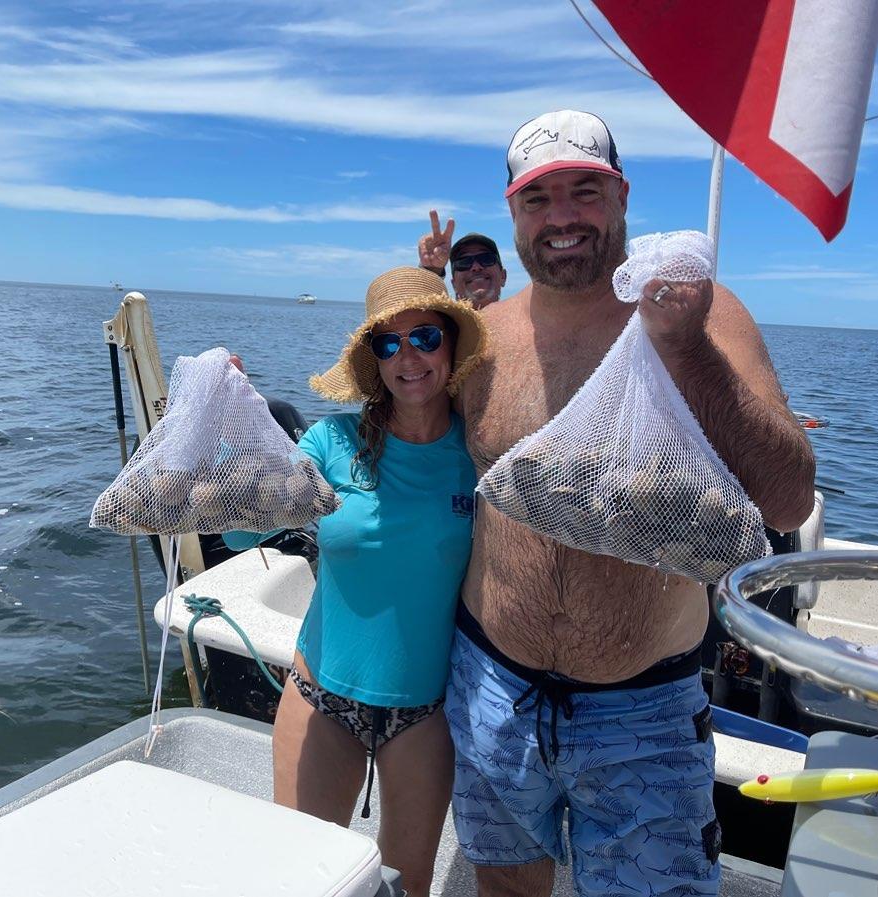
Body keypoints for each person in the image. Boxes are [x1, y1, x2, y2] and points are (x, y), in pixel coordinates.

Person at [445, 110, 816, 897]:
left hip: (642, 713)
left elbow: (786, 498)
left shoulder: (704, 313)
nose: (563, 217)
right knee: (505, 885)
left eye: (585, 191)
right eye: (539, 199)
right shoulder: (481, 338)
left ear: (621, 198)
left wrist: (683, 344)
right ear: (512, 213)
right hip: (489, 685)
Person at [224, 267, 487, 897]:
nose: (408, 357)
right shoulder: (331, 442)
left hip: (425, 714)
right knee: (303, 876)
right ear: (373, 361)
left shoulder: (481, 452)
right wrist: (237, 422)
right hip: (321, 697)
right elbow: (237, 533)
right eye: (387, 344)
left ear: (450, 344)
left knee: (406, 884)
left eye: (424, 336)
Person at [418, 210, 507, 309]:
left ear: (503, 276)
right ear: (454, 285)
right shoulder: (441, 323)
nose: (476, 267)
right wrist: (431, 270)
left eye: (486, 258)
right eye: (464, 262)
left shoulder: (526, 317)